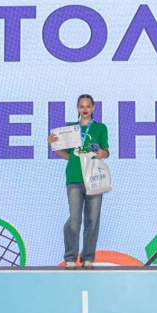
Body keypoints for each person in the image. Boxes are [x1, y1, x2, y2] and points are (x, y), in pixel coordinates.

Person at [47, 94, 110, 269]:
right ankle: (70, 257)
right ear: (77, 108)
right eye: (82, 106)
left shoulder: (100, 128)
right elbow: (66, 155)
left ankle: (87, 258)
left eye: (88, 106)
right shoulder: (70, 130)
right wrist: (52, 145)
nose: (85, 109)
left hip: (94, 178)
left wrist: (102, 154)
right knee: (74, 219)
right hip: (74, 178)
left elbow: (106, 151)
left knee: (93, 220)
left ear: (93, 108)